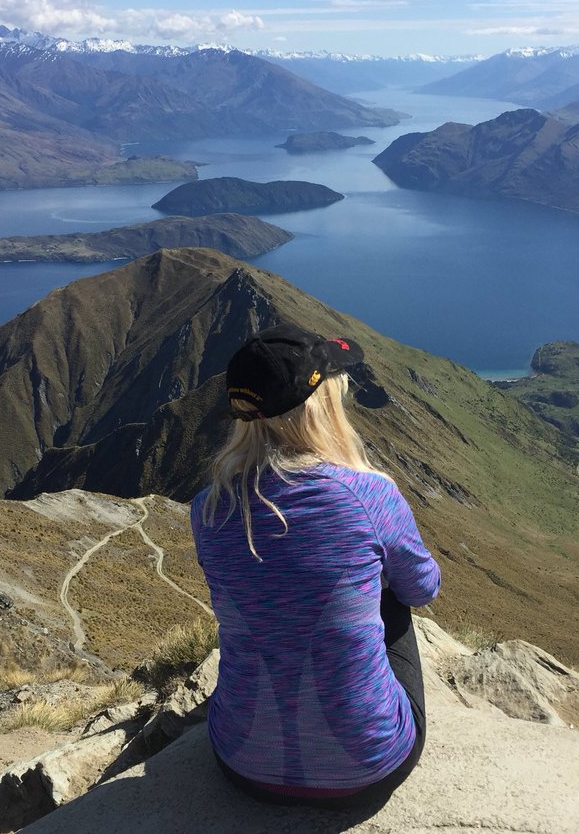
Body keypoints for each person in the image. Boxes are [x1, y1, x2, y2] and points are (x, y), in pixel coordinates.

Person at [190, 323, 441, 810]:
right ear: (319, 405)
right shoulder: (368, 495)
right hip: (368, 769)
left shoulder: (208, 508)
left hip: (241, 764)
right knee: (390, 594)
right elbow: (423, 589)